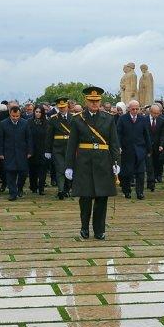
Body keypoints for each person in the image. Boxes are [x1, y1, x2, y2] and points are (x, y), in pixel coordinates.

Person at [65, 86, 120, 240]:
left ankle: (99, 230)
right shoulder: (77, 119)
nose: (94, 103)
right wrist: (69, 165)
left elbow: (114, 143)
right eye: (91, 101)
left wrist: (116, 162)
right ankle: (84, 227)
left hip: (103, 162)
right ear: (86, 101)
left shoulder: (108, 118)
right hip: (84, 162)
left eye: (97, 101)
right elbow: (72, 144)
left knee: (102, 198)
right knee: (85, 198)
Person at [116, 100, 151, 200]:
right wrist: (118, 146)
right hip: (127, 150)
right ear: (129, 109)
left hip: (140, 150)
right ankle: (127, 191)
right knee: (127, 173)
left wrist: (149, 149)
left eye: (137, 109)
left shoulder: (143, 119)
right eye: (133, 109)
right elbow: (118, 133)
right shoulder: (123, 119)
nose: (135, 111)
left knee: (140, 173)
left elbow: (146, 134)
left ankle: (140, 192)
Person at [0, 106, 33, 201]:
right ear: (10, 114)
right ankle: (12, 193)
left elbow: (29, 138)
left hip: (22, 152)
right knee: (10, 173)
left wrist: (30, 151)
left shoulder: (25, 123)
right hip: (8, 152)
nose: (15, 118)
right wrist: (0, 152)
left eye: (17, 116)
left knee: (23, 172)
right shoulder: (3, 124)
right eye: (13, 116)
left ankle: (19, 188)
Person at [47, 98, 73, 200]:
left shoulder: (73, 118)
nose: (62, 109)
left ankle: (67, 189)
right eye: (60, 107)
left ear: (67, 106)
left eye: (64, 107)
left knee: (69, 168)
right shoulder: (53, 119)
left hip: (70, 147)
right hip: (58, 147)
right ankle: (61, 190)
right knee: (60, 169)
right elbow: (49, 136)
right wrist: (48, 150)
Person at [28, 106, 50, 195]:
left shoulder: (46, 123)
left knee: (42, 170)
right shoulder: (29, 122)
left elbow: (48, 137)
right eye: (36, 112)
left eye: (40, 112)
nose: (38, 113)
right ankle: (33, 187)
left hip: (43, 149)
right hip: (32, 149)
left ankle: (41, 188)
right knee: (32, 170)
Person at [146, 103, 164, 192]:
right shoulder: (144, 120)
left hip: (158, 146)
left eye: (158, 113)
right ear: (150, 112)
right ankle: (151, 183)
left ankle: (157, 176)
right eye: (154, 113)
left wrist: (162, 145)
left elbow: (163, 134)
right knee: (149, 165)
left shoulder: (162, 120)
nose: (156, 115)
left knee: (157, 163)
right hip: (147, 146)